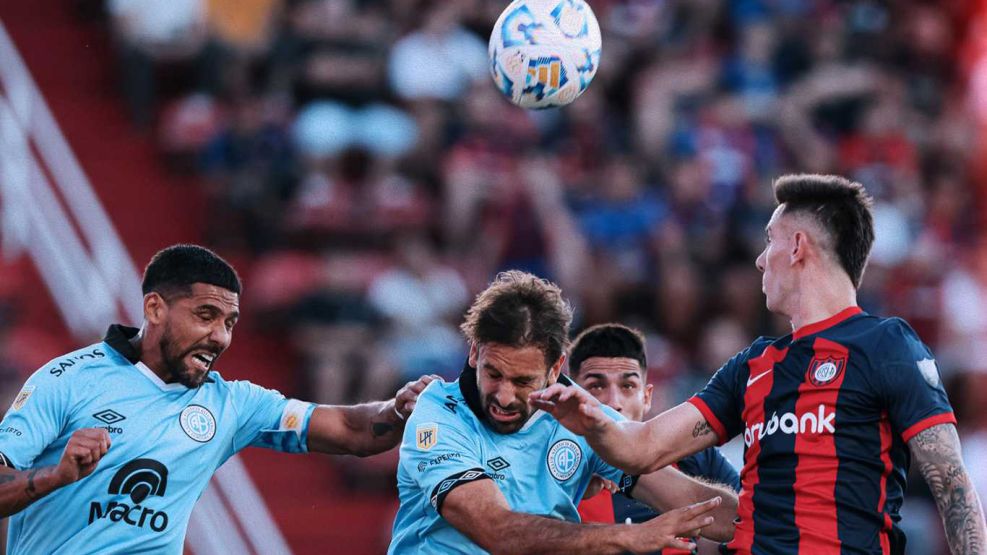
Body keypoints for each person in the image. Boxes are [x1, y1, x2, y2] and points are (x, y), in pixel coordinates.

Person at [532, 174, 987, 555]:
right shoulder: (752, 366)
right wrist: (588, 418)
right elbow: (642, 447)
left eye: (768, 241)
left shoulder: (886, 343)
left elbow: (948, 479)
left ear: (797, 247)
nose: (758, 258)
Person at [0, 244, 437, 553]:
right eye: (205, 316)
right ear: (154, 309)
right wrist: (58, 475)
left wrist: (397, 408)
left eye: (230, 322)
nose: (220, 337)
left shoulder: (233, 404)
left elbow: (350, 430)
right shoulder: (67, 379)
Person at [388, 270, 739, 554]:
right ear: (474, 354)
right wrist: (626, 536)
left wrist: (787, 530)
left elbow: (691, 500)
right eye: (494, 374)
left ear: (555, 369)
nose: (505, 396)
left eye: (524, 381)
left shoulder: (584, 418)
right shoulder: (437, 415)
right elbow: (497, 531)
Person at [570, 323, 740, 555]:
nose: (613, 402)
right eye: (596, 386)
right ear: (573, 393)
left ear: (647, 397)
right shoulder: (554, 461)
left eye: (627, 385)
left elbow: (750, 522)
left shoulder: (690, 455)